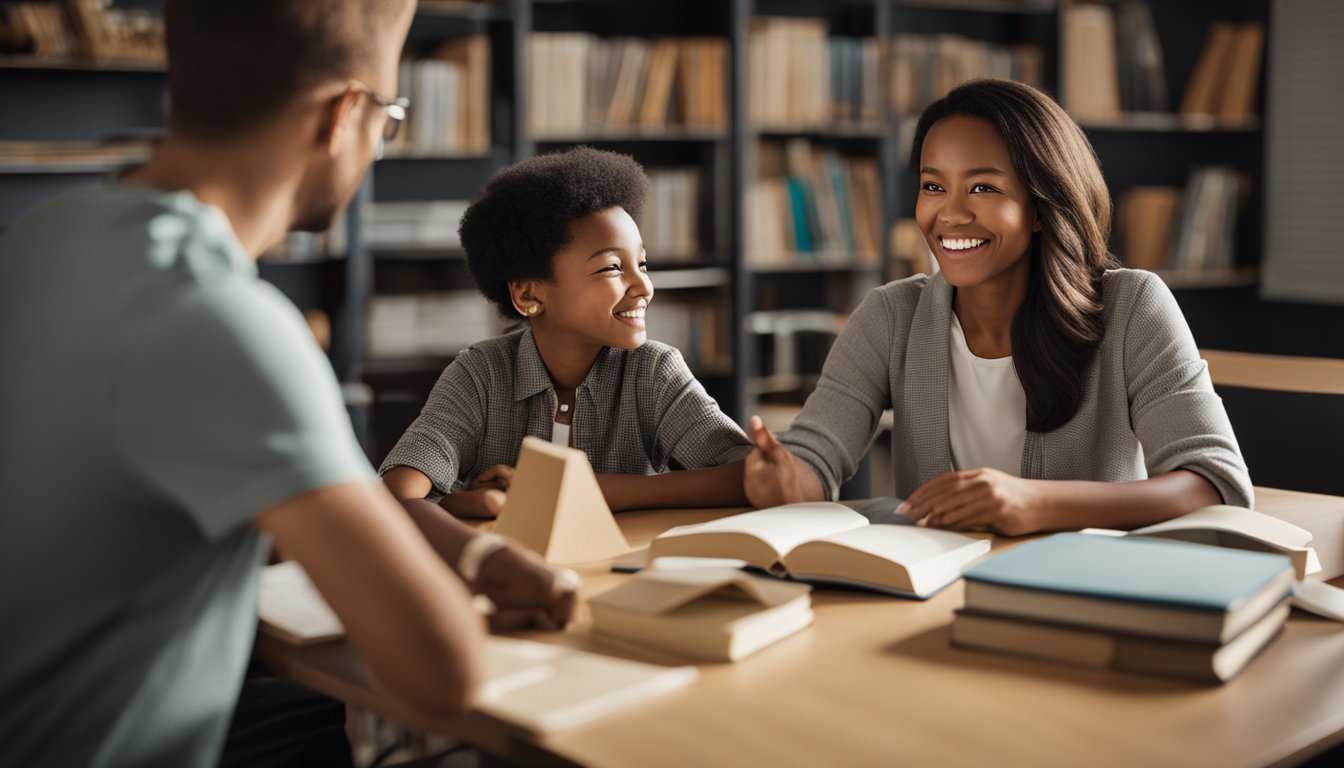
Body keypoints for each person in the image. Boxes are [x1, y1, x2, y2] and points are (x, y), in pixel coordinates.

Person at [0, 2, 575, 765]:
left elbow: (311, 489)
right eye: (390, 116)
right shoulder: (222, 319)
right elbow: (443, 673)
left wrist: (477, 558)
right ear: (343, 116)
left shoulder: (45, 237)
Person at [743, 78, 1252, 536]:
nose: (951, 213)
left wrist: (1037, 503)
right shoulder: (891, 315)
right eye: (933, 186)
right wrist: (787, 479)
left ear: (1041, 206)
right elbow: (814, 458)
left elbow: (1215, 484)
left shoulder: (1133, 307)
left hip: (1088, 596)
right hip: (935, 600)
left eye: (983, 187)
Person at [381, 147, 752, 517]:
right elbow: (397, 494)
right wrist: (458, 502)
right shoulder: (480, 375)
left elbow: (750, 474)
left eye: (641, 263)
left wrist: (587, 490)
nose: (644, 287)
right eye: (611, 268)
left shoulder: (654, 371)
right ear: (528, 294)